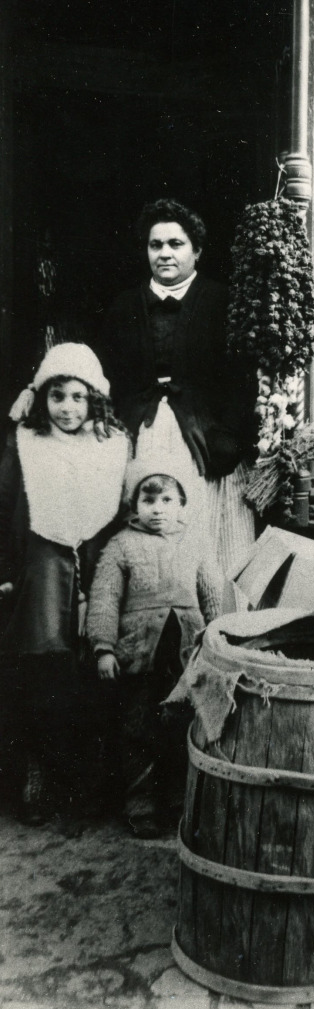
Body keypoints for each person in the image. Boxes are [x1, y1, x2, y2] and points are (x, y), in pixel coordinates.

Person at [0, 343, 129, 824]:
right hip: (41, 571)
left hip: (96, 568)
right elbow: (4, 504)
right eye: (58, 397)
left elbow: (120, 513)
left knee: (93, 675)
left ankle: (87, 786)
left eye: (79, 397)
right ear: (42, 399)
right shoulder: (25, 443)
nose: (68, 408)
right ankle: (39, 779)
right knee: (42, 673)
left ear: (95, 399)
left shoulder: (113, 444)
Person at [98, 197, 257, 574]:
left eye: (176, 244)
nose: (165, 254)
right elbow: (108, 378)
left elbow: (241, 381)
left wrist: (227, 438)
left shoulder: (224, 302)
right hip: (143, 439)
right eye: (156, 245)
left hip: (205, 444)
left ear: (197, 251)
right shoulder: (124, 307)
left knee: (209, 545)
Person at [86, 461, 227, 839]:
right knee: (138, 728)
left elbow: (212, 593)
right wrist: (104, 648)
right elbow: (104, 598)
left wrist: (219, 640)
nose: (158, 508)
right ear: (135, 506)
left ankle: (180, 802)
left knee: (184, 728)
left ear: (182, 504)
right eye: (149, 500)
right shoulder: (121, 545)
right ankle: (142, 807)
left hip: (186, 654)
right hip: (139, 656)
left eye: (167, 499)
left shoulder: (195, 541)